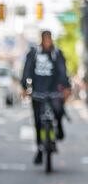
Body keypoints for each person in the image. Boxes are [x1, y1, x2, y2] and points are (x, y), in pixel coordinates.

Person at [21, 30, 70, 164]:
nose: (48, 42)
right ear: (41, 40)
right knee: (38, 122)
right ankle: (40, 149)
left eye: (49, 39)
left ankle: (59, 126)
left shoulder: (57, 53)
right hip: (38, 92)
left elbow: (62, 71)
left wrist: (66, 87)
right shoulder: (34, 53)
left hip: (54, 91)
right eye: (45, 39)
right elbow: (27, 71)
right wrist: (25, 87)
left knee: (58, 110)